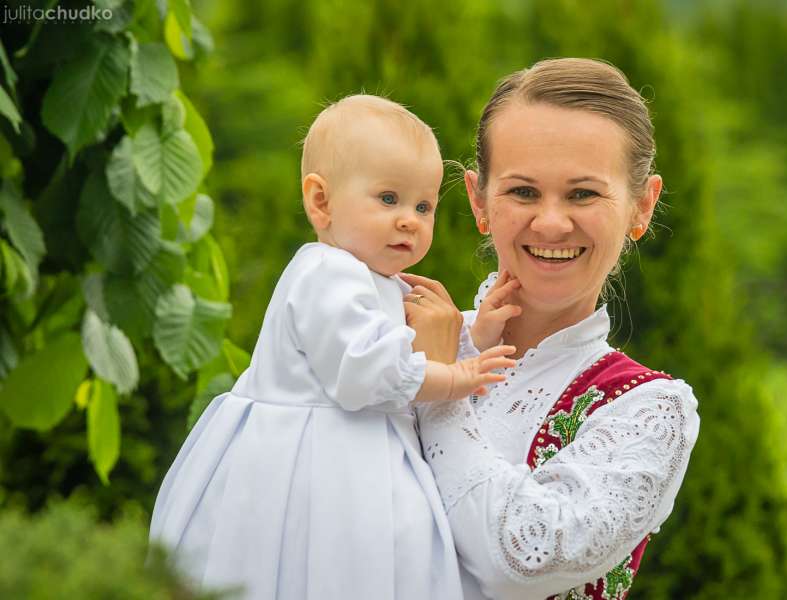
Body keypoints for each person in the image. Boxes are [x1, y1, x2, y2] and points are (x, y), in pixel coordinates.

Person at [149, 94, 516, 600]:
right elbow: (368, 369)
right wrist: (456, 379)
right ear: (321, 201)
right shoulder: (326, 273)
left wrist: (477, 334)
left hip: (356, 459)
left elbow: (405, 342)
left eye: (423, 205)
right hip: (309, 468)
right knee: (307, 567)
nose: (410, 219)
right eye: (389, 199)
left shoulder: (378, 279)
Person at [407, 58, 702, 600]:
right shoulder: (390, 338)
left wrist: (436, 389)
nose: (550, 222)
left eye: (583, 194)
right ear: (478, 199)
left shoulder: (648, 409)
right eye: (522, 192)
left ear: (642, 205)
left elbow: (523, 560)